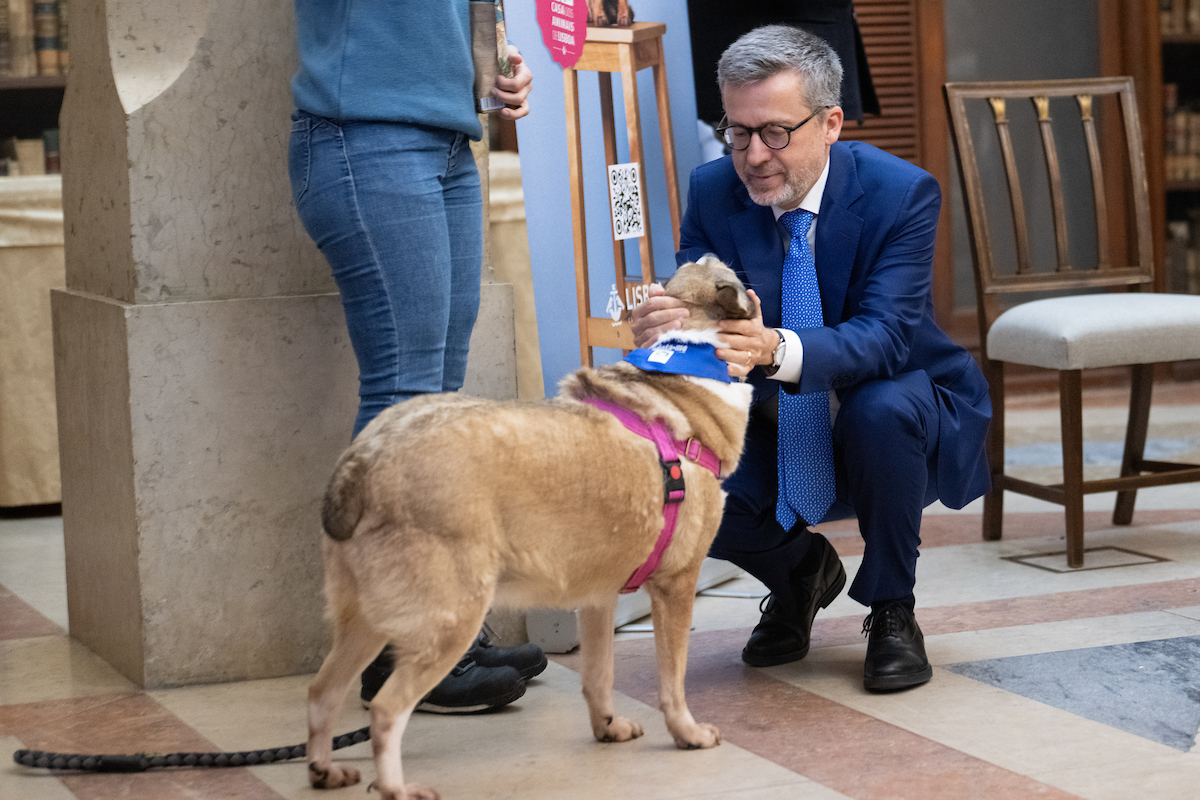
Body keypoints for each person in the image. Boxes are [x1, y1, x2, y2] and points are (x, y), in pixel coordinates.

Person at [630, 25, 991, 691]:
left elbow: (885, 337)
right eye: (737, 132)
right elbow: (705, 315)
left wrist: (776, 346)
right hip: (775, 421)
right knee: (668, 467)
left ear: (830, 124)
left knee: (880, 408)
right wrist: (669, 327)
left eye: (775, 133)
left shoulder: (901, 192)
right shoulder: (713, 190)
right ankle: (799, 572)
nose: (752, 156)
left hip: (896, 410)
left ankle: (893, 608)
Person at [287, 0, 545, 713]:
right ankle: (395, 649)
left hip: (447, 138)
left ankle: (443, 628)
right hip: (365, 137)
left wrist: (493, 64)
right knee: (404, 393)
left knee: (432, 401)